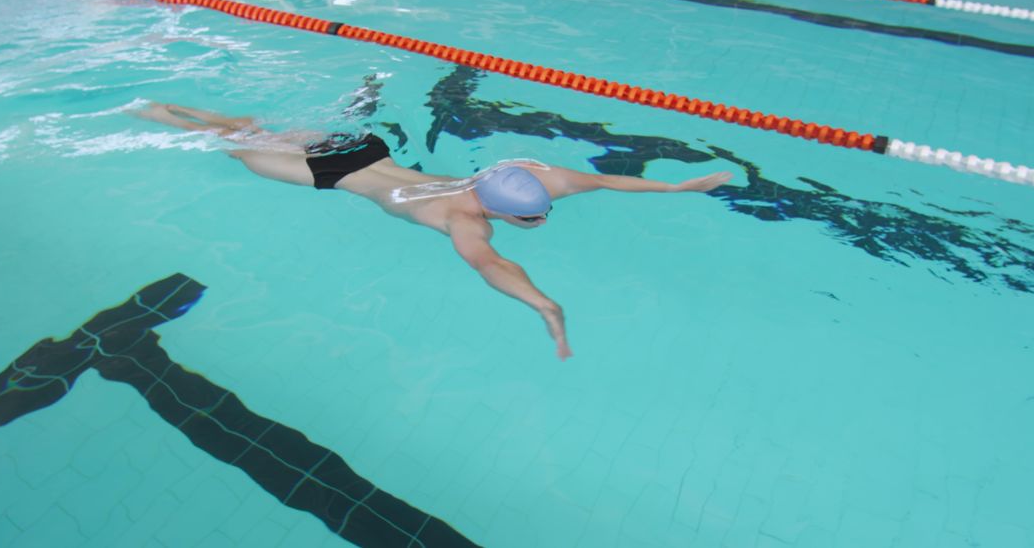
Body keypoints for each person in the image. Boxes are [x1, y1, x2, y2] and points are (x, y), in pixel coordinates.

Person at [134, 103, 733, 359]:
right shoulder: (463, 218)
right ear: (502, 210)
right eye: (533, 217)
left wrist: (680, 187)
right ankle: (163, 118)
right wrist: (544, 305)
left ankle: (201, 117)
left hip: (362, 147)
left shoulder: (521, 175)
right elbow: (492, 266)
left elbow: (607, 182)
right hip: (334, 173)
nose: (543, 216)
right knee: (234, 152)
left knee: (246, 132)